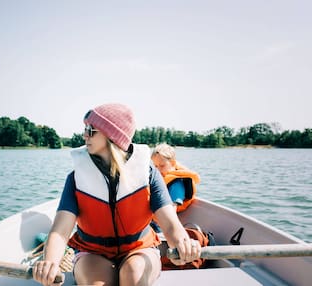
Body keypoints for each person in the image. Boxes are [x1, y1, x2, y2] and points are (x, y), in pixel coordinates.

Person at [33, 103, 201, 286]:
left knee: (133, 275)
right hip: (93, 252)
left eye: (91, 130)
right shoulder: (76, 179)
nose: (85, 135)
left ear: (112, 136)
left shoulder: (148, 173)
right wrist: (50, 261)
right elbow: (60, 230)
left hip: (140, 248)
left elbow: (170, 224)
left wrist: (183, 243)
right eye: (85, 129)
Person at [151, 143, 200, 213]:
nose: (158, 170)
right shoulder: (161, 177)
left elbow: (172, 211)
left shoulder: (176, 184)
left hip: (161, 220)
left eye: (162, 166)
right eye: (155, 166)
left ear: (173, 163)